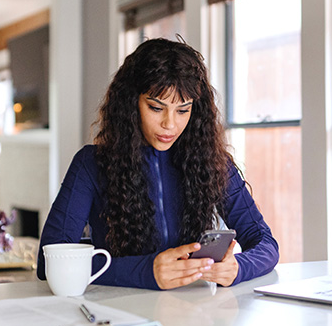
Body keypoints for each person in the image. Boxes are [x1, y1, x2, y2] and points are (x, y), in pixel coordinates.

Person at [37, 38, 279, 290]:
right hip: (119, 316)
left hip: (198, 316)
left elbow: (265, 243)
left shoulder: (214, 163)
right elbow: (49, 262)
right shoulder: (90, 164)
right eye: (156, 107)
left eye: (183, 110)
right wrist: (146, 271)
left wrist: (238, 268)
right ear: (132, 104)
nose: (170, 124)